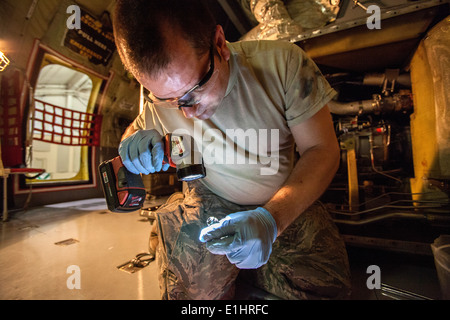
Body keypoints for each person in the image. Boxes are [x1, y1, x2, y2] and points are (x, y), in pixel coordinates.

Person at [113, 0, 351, 300]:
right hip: (209, 197)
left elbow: (321, 149)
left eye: (192, 92)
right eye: (166, 99)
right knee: (190, 295)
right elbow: (137, 127)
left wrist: (271, 220)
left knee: (325, 287)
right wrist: (130, 144)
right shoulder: (161, 101)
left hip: (280, 195)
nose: (184, 113)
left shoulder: (283, 65)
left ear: (219, 44)